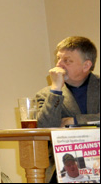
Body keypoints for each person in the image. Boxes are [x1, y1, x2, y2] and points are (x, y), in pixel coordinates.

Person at [36, 36, 100, 182]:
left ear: (86, 66)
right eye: (58, 59)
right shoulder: (46, 94)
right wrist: (56, 90)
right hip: (62, 169)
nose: (59, 65)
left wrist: (75, 121)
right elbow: (44, 128)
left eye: (67, 61)